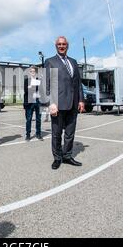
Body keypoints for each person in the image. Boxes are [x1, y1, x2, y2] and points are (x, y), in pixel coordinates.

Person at [45, 36, 85, 170]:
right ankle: (57, 158)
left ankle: (67, 156)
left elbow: (78, 83)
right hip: (58, 104)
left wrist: (80, 100)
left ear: (67, 45)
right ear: (56, 46)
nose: (62, 46)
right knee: (56, 134)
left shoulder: (73, 62)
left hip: (73, 104)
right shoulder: (51, 62)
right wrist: (51, 103)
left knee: (70, 133)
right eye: (59, 44)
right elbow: (48, 84)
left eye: (64, 44)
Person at [23, 66, 43, 141]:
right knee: (28, 119)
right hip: (29, 102)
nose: (32, 73)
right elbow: (26, 90)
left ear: (36, 72)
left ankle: (38, 134)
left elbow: (40, 90)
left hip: (38, 102)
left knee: (38, 119)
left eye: (34, 71)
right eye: (31, 71)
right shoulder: (26, 80)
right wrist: (31, 86)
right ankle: (28, 135)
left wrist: (31, 87)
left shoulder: (39, 80)